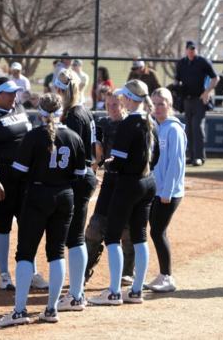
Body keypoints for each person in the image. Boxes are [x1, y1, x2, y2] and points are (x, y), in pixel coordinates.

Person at [0, 93, 86, 327]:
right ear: (62, 112)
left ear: (41, 113)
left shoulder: (34, 136)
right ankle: (51, 308)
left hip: (37, 195)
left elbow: (18, 172)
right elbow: (80, 175)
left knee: (25, 253)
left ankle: (19, 311)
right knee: (56, 253)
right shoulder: (74, 136)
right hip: (65, 196)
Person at [87, 79, 159, 306]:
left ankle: (114, 291)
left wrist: (106, 163)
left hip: (128, 184)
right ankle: (136, 290)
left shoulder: (129, 124)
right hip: (148, 182)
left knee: (112, 237)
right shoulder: (151, 121)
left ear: (127, 99)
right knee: (139, 236)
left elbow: (116, 163)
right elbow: (154, 159)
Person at [0, 78, 49, 290]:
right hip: (2, 177)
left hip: (25, 176)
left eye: (15, 92)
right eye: (9, 93)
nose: (14, 96)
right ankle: (4, 274)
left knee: (29, 224)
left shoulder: (19, 108)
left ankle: (32, 272)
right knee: (3, 224)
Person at [52, 69, 97, 312]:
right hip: (86, 175)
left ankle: (76, 294)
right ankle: (76, 292)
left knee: (74, 238)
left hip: (77, 179)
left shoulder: (72, 116)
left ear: (59, 90)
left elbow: (71, 156)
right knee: (74, 237)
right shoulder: (83, 110)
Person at [84, 88, 135, 287]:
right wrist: (92, 171)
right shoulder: (102, 124)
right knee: (96, 226)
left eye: (116, 104)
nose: (111, 108)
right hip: (110, 180)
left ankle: (127, 272)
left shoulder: (131, 125)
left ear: (124, 104)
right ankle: (85, 269)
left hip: (127, 181)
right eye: (108, 105)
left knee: (127, 229)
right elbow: (98, 155)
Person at [144, 87, 186, 293]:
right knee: (157, 231)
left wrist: (167, 192)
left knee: (158, 232)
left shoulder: (174, 129)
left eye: (161, 104)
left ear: (169, 105)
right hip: (156, 189)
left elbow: (176, 164)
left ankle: (167, 277)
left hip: (168, 192)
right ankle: (162, 274)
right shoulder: (154, 126)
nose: (157, 108)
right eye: (154, 104)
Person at [175, 40, 219, 167]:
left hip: (200, 99)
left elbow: (215, 77)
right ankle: (192, 156)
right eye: (188, 48)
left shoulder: (203, 62)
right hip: (187, 99)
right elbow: (177, 80)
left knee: (197, 128)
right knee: (188, 129)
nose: (190, 50)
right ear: (185, 49)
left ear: (197, 50)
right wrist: (176, 90)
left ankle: (200, 157)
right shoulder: (182, 63)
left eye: (193, 48)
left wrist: (206, 92)